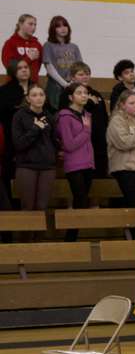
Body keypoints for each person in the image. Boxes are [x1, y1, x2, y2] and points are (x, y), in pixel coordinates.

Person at [57, 83, 95, 240]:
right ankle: (70, 238)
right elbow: (69, 145)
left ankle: (73, 237)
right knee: (80, 199)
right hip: (74, 164)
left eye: (85, 92)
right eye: (79, 93)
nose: (84, 95)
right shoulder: (65, 116)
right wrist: (86, 130)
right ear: (71, 97)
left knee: (83, 200)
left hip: (88, 163)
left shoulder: (87, 115)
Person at [59, 62, 109, 177]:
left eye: (87, 74)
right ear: (72, 77)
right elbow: (70, 113)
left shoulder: (95, 93)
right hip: (81, 142)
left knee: (100, 177)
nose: (85, 77)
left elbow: (103, 116)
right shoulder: (67, 93)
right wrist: (90, 102)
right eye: (80, 74)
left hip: (99, 141)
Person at [11, 84, 57, 211]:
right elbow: (18, 144)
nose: (39, 98)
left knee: (42, 207)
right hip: (27, 166)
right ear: (28, 99)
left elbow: (55, 141)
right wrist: (35, 129)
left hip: (48, 166)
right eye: (34, 95)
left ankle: (40, 232)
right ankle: (26, 231)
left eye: (41, 95)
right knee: (28, 206)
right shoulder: (19, 116)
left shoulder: (49, 117)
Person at [106, 91, 135, 208]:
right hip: (126, 169)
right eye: (132, 103)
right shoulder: (117, 120)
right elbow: (123, 143)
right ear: (122, 105)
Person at [0, 58, 33, 188]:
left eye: (26, 67)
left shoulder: (36, 87)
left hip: (33, 137)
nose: (24, 70)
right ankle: (11, 205)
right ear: (13, 72)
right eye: (20, 68)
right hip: (12, 136)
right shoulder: (5, 91)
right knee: (10, 172)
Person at [42, 16, 81, 110]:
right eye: (58, 26)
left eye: (65, 25)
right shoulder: (48, 45)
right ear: (53, 29)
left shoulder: (74, 47)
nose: (63, 28)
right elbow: (49, 67)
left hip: (72, 85)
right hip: (55, 86)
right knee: (56, 113)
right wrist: (64, 83)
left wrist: (72, 82)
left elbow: (79, 67)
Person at [2, 14, 43, 81]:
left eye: (35, 25)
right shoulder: (10, 43)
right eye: (30, 24)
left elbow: (39, 64)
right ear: (20, 24)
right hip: (15, 84)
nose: (33, 27)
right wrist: (28, 58)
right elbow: (10, 67)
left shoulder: (37, 44)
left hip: (32, 85)